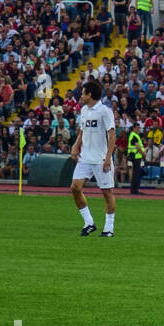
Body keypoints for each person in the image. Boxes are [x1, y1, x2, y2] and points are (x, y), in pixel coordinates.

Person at [69, 80, 117, 237]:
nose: (81, 95)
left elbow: (112, 134)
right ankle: (89, 223)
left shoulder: (104, 111)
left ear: (90, 94)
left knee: (106, 192)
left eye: (83, 93)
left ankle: (109, 228)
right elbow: (83, 130)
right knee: (75, 187)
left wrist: (108, 157)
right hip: (85, 158)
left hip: (101, 159)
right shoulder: (84, 110)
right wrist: (76, 145)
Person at [126, 124, 145, 195]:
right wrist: (143, 154)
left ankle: (134, 189)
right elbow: (137, 146)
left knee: (135, 174)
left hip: (134, 156)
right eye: (137, 128)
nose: (139, 129)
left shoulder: (133, 135)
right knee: (136, 174)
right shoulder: (134, 135)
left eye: (139, 128)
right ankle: (134, 190)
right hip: (136, 156)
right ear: (133, 128)